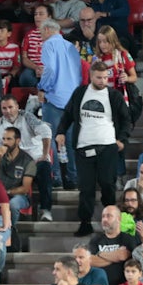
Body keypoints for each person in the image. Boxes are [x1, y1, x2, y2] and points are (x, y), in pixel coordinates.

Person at [55, 59, 128, 237]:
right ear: (90, 76)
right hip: (83, 146)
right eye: (99, 77)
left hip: (107, 145)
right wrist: (61, 131)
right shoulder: (80, 93)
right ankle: (85, 222)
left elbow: (126, 119)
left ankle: (112, 221)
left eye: (105, 77)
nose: (103, 81)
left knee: (107, 184)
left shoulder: (114, 95)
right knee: (86, 188)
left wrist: (121, 139)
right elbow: (67, 115)